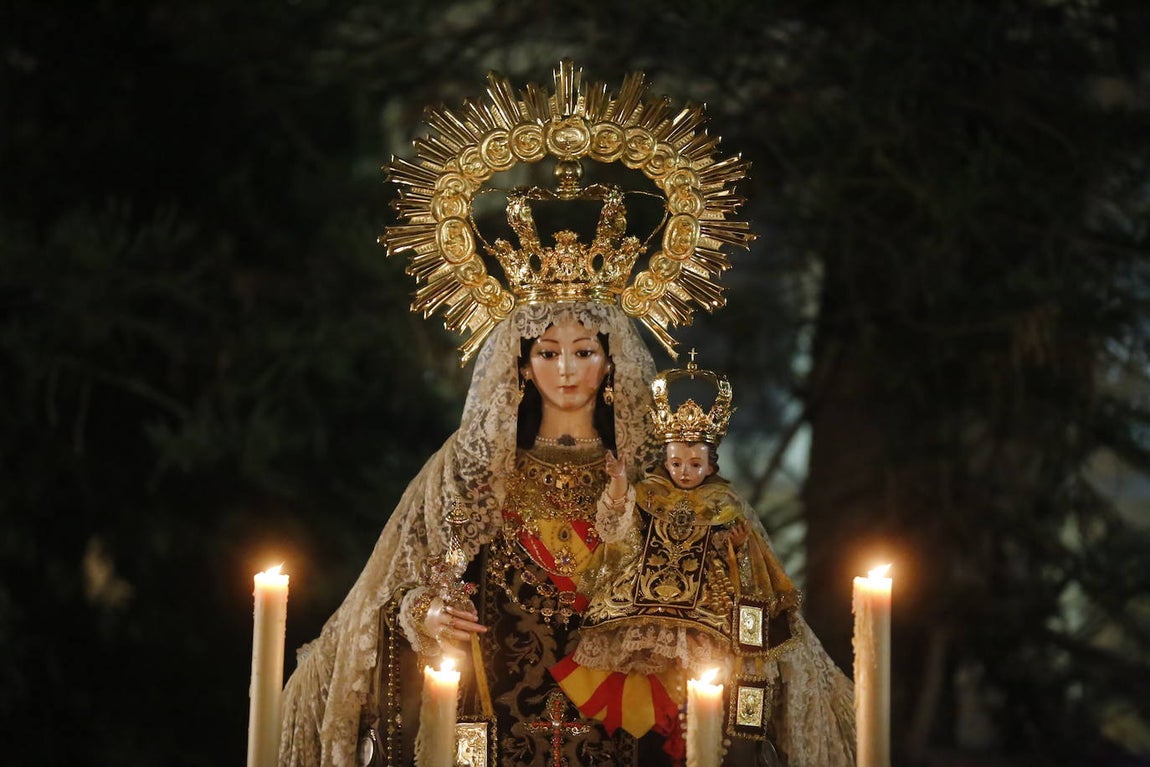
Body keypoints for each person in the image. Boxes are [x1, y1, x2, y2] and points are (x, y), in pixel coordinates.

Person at [553, 360, 857, 767]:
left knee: (712, 681)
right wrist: (621, 484)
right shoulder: (649, 493)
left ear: (712, 464)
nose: (684, 473)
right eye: (677, 463)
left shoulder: (725, 503)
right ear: (666, 458)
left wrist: (734, 547)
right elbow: (615, 530)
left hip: (706, 607)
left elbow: (749, 560)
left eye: (695, 465)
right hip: (643, 602)